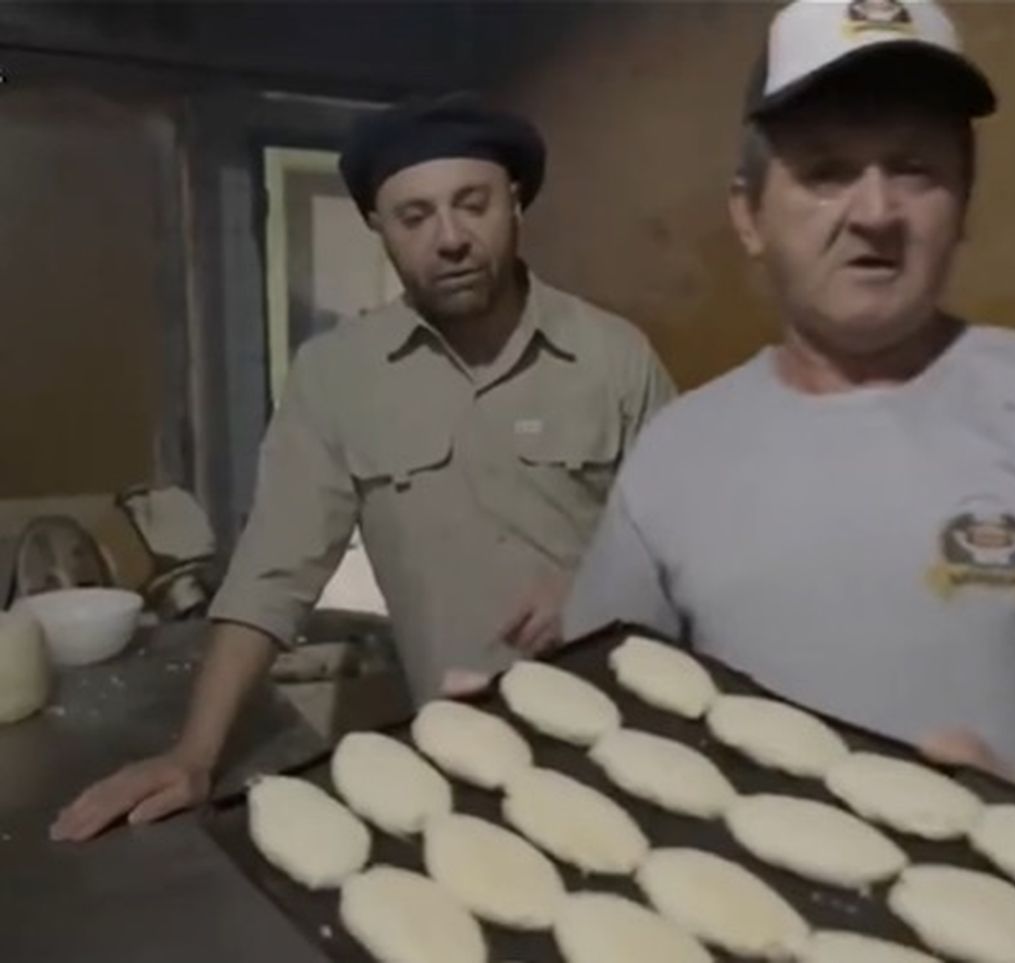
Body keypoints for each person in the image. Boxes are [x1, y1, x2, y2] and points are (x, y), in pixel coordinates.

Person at [567, 0, 1015, 842]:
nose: (877, 212)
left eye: (916, 168)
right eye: (826, 170)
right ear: (749, 214)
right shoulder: (676, 453)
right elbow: (600, 706)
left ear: (962, 202)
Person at [52, 93, 675, 842]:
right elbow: (272, 574)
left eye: (471, 204)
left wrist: (601, 580)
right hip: (458, 750)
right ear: (380, 229)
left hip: (628, 736)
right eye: (414, 217)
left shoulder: (615, 357)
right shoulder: (337, 376)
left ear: (515, 203)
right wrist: (194, 753)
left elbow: (691, 544)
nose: (449, 238)